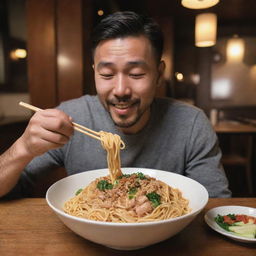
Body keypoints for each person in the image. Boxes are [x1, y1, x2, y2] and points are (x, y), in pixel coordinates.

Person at [0, 11, 231, 198]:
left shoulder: (191, 124)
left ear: (159, 74)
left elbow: (213, 203)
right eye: (107, 75)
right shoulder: (70, 117)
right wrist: (22, 149)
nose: (120, 90)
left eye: (137, 73)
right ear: (94, 74)